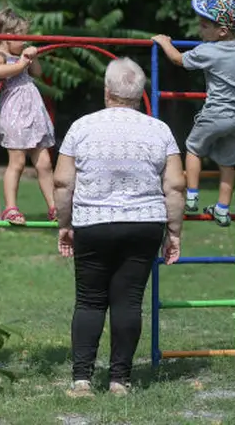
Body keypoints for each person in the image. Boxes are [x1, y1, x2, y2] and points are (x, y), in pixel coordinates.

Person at [53, 58, 185, 397]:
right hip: (144, 224)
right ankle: (119, 381)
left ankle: (82, 380)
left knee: (89, 301)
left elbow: (63, 181)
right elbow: (174, 187)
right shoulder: (160, 131)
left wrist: (65, 225)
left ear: (107, 91)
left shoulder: (81, 127)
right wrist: (174, 232)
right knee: (128, 301)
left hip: (93, 223)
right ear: (140, 94)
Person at [152, 0, 235, 227]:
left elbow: (178, 59)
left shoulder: (208, 52)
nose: (199, 30)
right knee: (228, 163)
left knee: (193, 148)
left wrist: (164, 42)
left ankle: (192, 196)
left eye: (204, 26)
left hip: (217, 113)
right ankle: (222, 208)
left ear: (221, 32)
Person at [0, 8, 56, 224]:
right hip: (14, 114)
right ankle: (10, 208)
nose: (25, 40)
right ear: (7, 36)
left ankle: (54, 207)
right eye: (21, 35)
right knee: (17, 162)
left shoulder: (22, 54)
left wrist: (31, 57)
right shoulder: (0, 55)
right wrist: (19, 64)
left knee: (44, 162)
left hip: (34, 113)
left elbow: (36, 72)